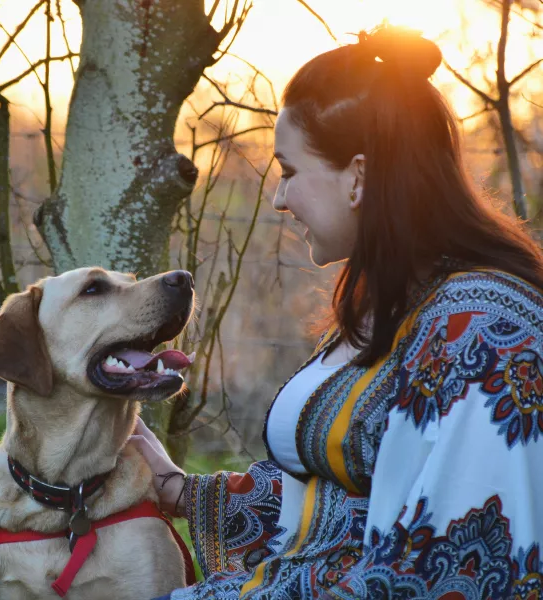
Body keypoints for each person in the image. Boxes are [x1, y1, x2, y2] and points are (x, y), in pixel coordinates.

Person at [131, 25, 543, 599]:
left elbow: (452, 572)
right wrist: (178, 491)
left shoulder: (484, 333)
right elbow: (338, 509)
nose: (279, 198)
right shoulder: (396, 305)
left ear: (358, 175)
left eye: (289, 171)